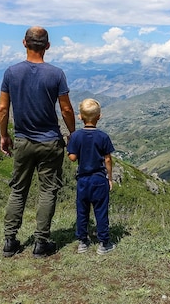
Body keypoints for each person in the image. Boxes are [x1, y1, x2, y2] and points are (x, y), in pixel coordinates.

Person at [0, 26, 76, 258]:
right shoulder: (56, 74)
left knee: (18, 190)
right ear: (48, 46)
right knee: (47, 191)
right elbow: (66, 108)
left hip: (22, 140)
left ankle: (10, 241)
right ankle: (41, 243)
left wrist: (4, 135)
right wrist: (73, 132)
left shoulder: (11, 73)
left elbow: (3, 108)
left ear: (24, 43)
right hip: (50, 142)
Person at [66, 98, 116, 255]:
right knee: (101, 211)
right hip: (99, 180)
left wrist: (70, 147)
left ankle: (82, 242)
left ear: (80, 117)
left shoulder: (76, 136)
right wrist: (109, 177)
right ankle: (103, 244)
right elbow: (107, 159)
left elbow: (72, 158)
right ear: (99, 117)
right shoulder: (103, 137)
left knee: (82, 211)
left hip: (83, 180)